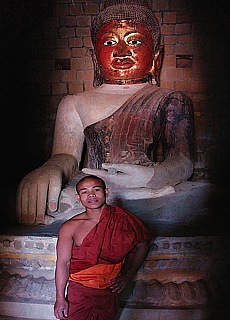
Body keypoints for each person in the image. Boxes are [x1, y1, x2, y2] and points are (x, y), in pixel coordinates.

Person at [17, 0, 194, 224]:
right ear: (94, 58)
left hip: (146, 189)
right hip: (91, 186)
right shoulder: (74, 102)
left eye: (135, 41)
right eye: (110, 41)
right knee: (54, 200)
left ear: (155, 59)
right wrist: (50, 169)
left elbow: (183, 161)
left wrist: (153, 176)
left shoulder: (171, 99)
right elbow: (66, 156)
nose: (121, 52)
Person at [54, 175, 150, 320]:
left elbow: (143, 245)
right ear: (78, 197)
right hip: (80, 291)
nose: (91, 195)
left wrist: (128, 276)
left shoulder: (123, 218)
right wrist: (60, 298)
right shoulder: (70, 227)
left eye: (96, 189)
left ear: (106, 192)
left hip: (110, 290)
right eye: (84, 191)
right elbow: (63, 263)